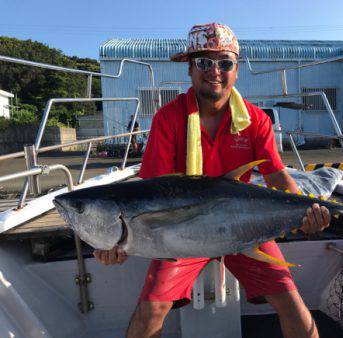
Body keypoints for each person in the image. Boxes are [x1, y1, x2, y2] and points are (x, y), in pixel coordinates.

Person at [94, 23, 330, 338]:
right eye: (204, 62)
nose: (214, 70)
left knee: (291, 302)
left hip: (242, 227)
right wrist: (115, 242)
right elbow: (149, 197)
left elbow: (278, 178)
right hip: (181, 234)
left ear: (236, 70)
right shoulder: (169, 118)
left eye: (225, 63)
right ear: (190, 69)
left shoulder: (256, 120)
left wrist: (309, 211)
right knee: (151, 309)